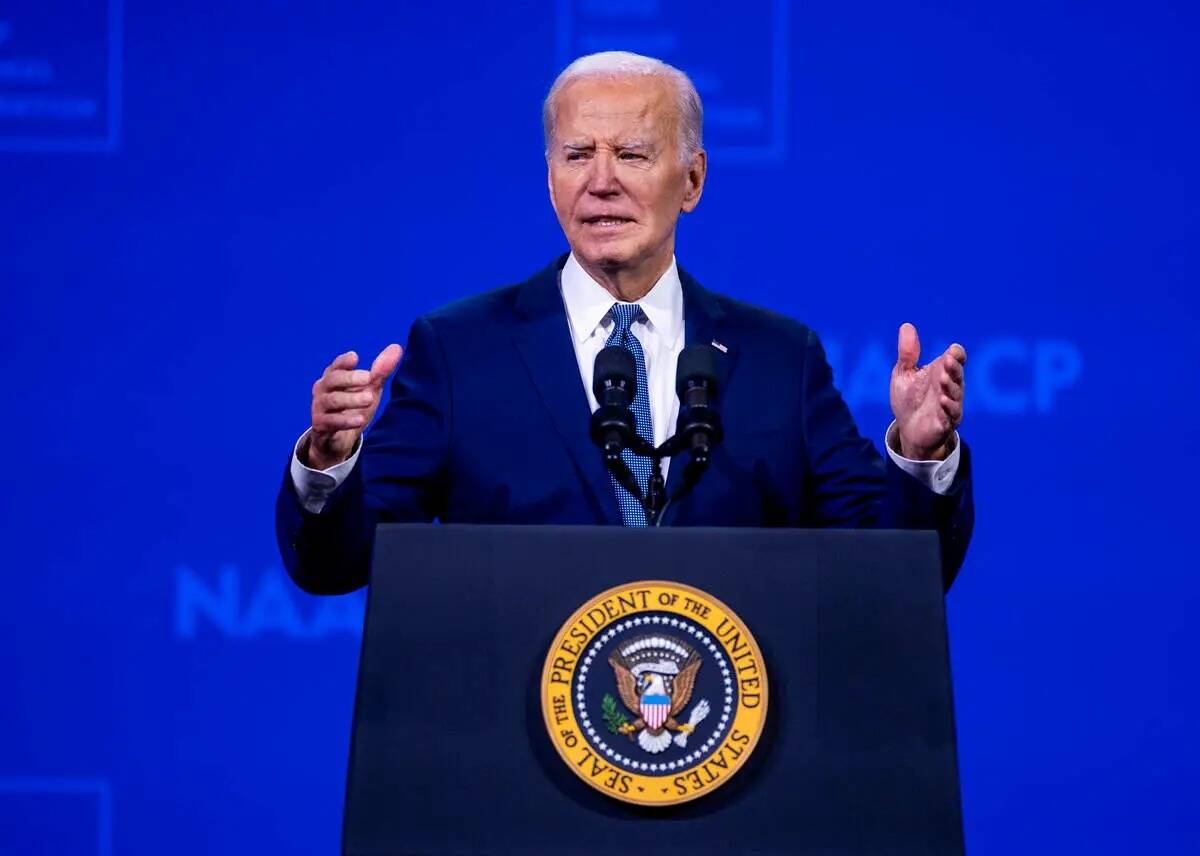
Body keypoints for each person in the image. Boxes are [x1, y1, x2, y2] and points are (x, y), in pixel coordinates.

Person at [275, 51, 973, 595]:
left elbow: (891, 572)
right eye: (577, 155)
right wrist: (330, 463)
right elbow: (338, 564)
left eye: (632, 154)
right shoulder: (459, 351)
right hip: (516, 754)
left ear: (693, 180)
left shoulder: (779, 359)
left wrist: (918, 459)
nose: (600, 181)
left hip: (735, 756)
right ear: (550, 178)